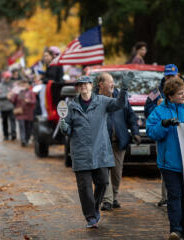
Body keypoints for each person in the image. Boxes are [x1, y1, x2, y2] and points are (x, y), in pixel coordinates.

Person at [60, 75, 128, 228]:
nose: (83, 86)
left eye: (86, 84)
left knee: (103, 182)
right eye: (81, 84)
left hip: (100, 152)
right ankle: (91, 217)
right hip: (80, 153)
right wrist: (65, 128)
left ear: (92, 85)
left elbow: (119, 104)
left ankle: (93, 208)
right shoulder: (71, 106)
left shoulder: (102, 101)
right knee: (85, 188)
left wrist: (124, 89)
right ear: (78, 87)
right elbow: (66, 127)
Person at [146, 76, 184, 240]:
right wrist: (163, 125)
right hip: (169, 164)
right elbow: (152, 132)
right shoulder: (159, 111)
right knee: (174, 197)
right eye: (180, 94)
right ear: (170, 96)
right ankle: (176, 230)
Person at [144, 64, 184, 208]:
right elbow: (148, 110)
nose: (169, 78)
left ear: (177, 75)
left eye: (172, 75)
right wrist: (158, 106)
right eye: (167, 76)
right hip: (165, 135)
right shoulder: (155, 91)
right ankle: (165, 197)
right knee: (166, 165)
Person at [96, 72, 141, 211]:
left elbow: (131, 117)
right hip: (102, 143)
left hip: (119, 141)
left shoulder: (121, 98)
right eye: (110, 82)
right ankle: (107, 200)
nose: (112, 85)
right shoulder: (95, 100)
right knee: (104, 172)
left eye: (113, 82)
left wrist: (135, 132)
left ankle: (114, 197)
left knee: (116, 173)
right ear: (101, 85)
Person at [10, 80, 36, 146]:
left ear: (28, 85)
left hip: (29, 113)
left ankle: (27, 139)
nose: (24, 85)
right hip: (20, 112)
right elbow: (13, 101)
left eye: (26, 84)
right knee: (22, 126)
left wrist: (29, 101)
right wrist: (10, 96)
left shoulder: (31, 92)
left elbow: (34, 101)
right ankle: (23, 140)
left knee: (28, 127)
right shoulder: (18, 92)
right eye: (23, 84)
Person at [0, 71, 17, 141]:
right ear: (4, 77)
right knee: (4, 122)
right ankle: (6, 135)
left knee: (12, 120)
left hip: (11, 106)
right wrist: (6, 95)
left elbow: (15, 93)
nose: (7, 79)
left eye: (9, 78)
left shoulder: (12, 85)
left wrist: (12, 95)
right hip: (3, 106)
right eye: (6, 77)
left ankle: (13, 134)